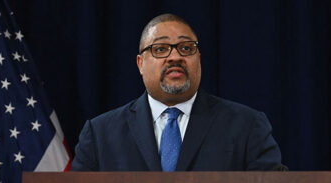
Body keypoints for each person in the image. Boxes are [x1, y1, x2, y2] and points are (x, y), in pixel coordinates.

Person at [71, 13, 284, 171]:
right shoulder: (100, 134)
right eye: (161, 49)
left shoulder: (246, 126)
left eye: (186, 48)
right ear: (140, 64)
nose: (175, 57)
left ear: (198, 59)